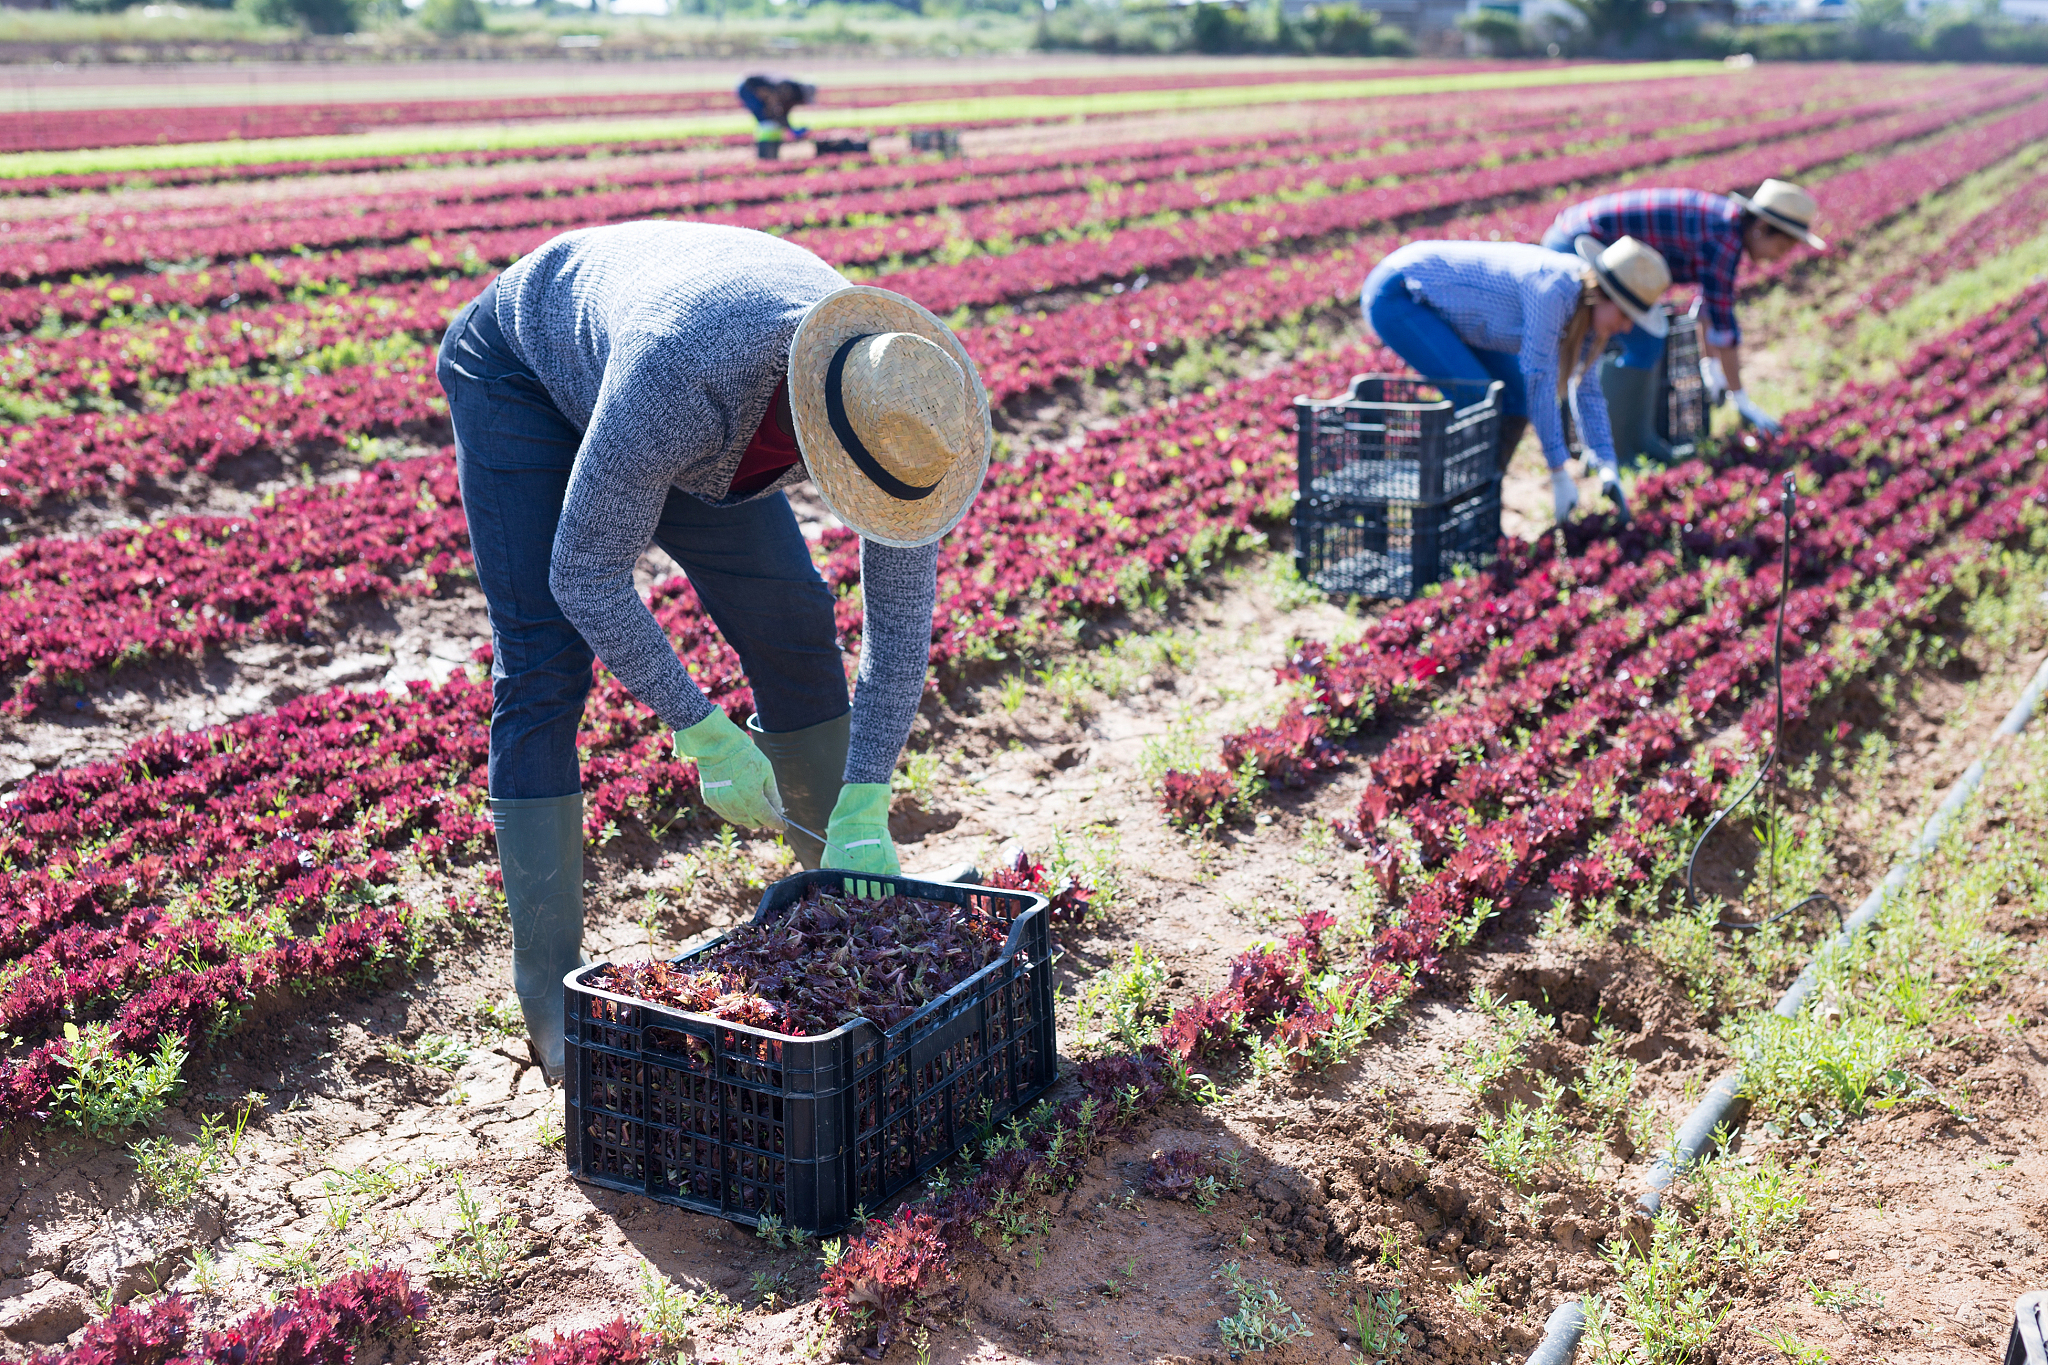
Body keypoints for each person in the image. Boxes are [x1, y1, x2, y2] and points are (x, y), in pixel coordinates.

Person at [435, 221, 991, 1082]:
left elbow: (898, 627)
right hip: (527, 372)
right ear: (817, 426)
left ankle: (837, 887)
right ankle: (552, 1003)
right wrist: (702, 730)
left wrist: (867, 796)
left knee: (792, 613)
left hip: (679, 394)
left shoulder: (895, 408)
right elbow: (586, 573)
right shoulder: (687, 381)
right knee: (544, 664)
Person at [1361, 235, 1673, 524]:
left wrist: (1607, 463)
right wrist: (1558, 474)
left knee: (1514, 400)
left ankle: (1479, 506)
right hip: (1402, 293)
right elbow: (1540, 380)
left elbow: (1587, 389)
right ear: (1605, 296)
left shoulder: (1587, 313)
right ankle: (1446, 512)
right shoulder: (1552, 290)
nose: (1628, 328)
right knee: (1478, 400)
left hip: (1450, 309)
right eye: (1626, 316)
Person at [1540, 179, 1825, 455]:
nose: (1780, 257)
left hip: (1573, 232)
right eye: (1782, 248)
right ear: (1762, 228)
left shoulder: (1727, 226)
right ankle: (1620, 448)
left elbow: (1710, 308)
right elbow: (1723, 324)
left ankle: (1636, 441)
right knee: (1643, 344)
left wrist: (1710, 366)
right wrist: (1742, 400)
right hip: (1577, 245)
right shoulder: (1723, 238)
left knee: (1646, 343)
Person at [737, 74, 815, 159]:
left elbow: (782, 113)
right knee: (766, 121)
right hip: (747, 88)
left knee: (770, 121)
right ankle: (765, 156)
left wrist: (792, 129)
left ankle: (770, 155)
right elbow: (773, 104)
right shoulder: (787, 88)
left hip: (752, 87)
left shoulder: (791, 93)